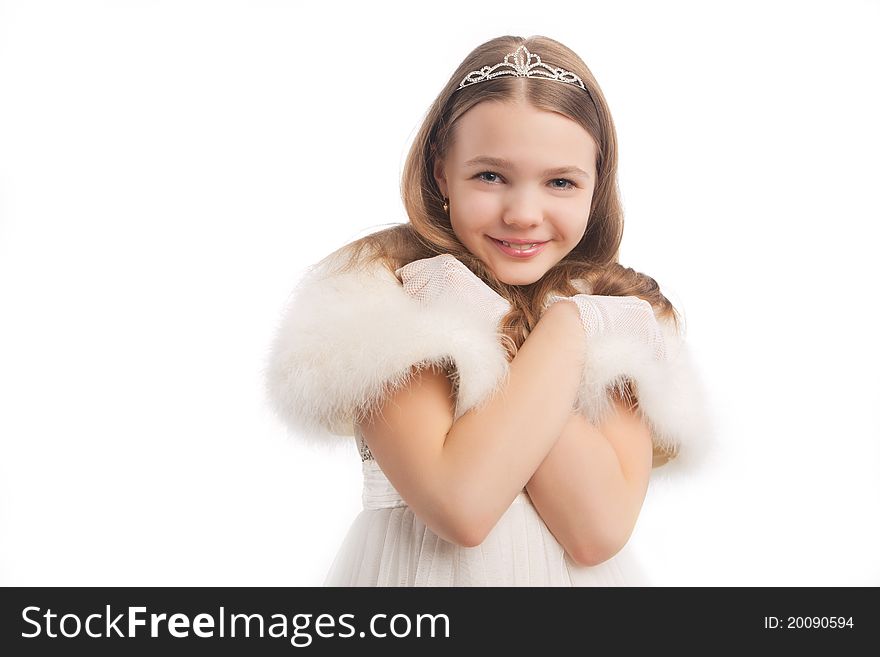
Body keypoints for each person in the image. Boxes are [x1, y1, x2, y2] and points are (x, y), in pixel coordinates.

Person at [264, 35, 711, 586]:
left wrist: (567, 328)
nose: (524, 213)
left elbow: (595, 533)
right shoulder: (387, 298)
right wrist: (542, 347)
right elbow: (463, 504)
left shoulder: (610, 315)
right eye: (490, 176)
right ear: (439, 172)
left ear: (596, 190)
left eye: (561, 182)